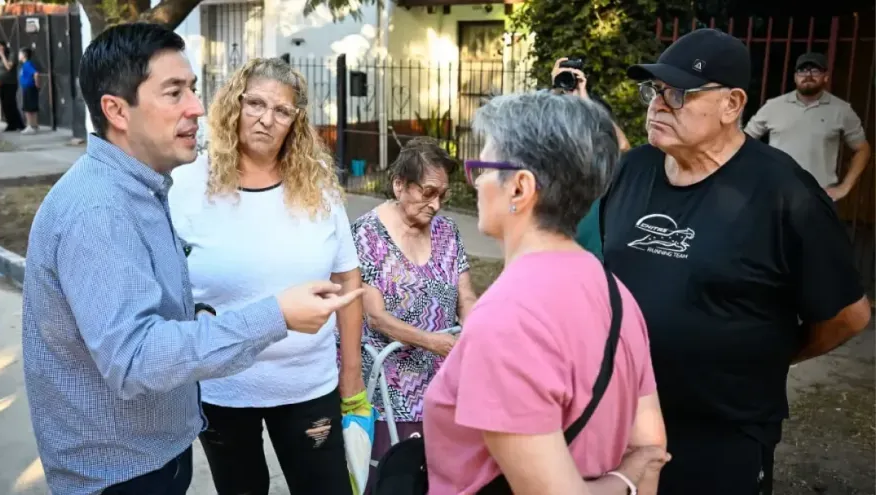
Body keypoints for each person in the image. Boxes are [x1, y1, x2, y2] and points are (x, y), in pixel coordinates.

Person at [22, 23, 362, 495]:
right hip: (121, 472)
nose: (197, 107)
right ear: (117, 110)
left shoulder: (145, 189)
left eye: (194, 89)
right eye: (174, 92)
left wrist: (195, 313)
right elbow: (137, 357)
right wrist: (276, 314)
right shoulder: (102, 209)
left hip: (161, 453)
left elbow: (146, 306)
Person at [577, 28, 872, 494]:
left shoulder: (785, 194)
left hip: (722, 430)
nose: (657, 104)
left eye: (677, 92)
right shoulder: (633, 170)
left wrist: (777, 356)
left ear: (732, 105)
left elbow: (849, 316)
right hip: (622, 415)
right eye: (653, 91)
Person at [423, 91, 668, 495]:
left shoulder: (505, 319)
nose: (476, 180)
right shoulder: (617, 294)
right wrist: (629, 475)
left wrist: (623, 477)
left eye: (481, 167)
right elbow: (650, 448)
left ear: (519, 188)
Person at [168, 57, 363, 495]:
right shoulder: (185, 187)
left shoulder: (319, 190)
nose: (266, 119)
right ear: (235, 106)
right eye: (255, 103)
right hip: (223, 389)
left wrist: (352, 378)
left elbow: (349, 278)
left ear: (295, 122)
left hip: (309, 386)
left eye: (281, 111)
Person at [352, 137, 479, 489]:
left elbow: (465, 295)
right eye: (427, 193)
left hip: (444, 381)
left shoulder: (448, 233)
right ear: (399, 185)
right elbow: (375, 316)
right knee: (396, 478)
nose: (436, 204)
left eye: (442, 195)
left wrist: (472, 327)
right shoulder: (367, 235)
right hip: (389, 387)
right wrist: (432, 342)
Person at [745, 52, 872, 202]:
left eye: (815, 71)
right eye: (802, 70)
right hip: (774, 194)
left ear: (826, 76)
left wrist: (844, 187)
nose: (808, 75)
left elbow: (862, 149)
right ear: (795, 77)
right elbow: (744, 141)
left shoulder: (842, 110)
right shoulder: (773, 106)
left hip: (817, 197)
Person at [551, 57, 631, 153]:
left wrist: (585, 101)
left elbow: (623, 146)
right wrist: (555, 88)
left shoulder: (593, 105)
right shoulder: (549, 110)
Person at [0, 39, 24, 131]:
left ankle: (17, 124)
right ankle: (12, 124)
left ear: (3, 47)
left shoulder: (11, 54)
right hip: (1, 83)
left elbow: (8, 67)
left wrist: (2, 55)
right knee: (4, 105)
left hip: (10, 83)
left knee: (10, 103)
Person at [18, 46, 40, 135]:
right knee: (32, 107)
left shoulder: (27, 64)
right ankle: (34, 125)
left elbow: (36, 73)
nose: (18, 56)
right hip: (27, 87)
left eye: (20, 54)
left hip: (29, 87)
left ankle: (30, 125)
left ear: (24, 55)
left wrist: (37, 83)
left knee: (28, 108)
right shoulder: (25, 64)